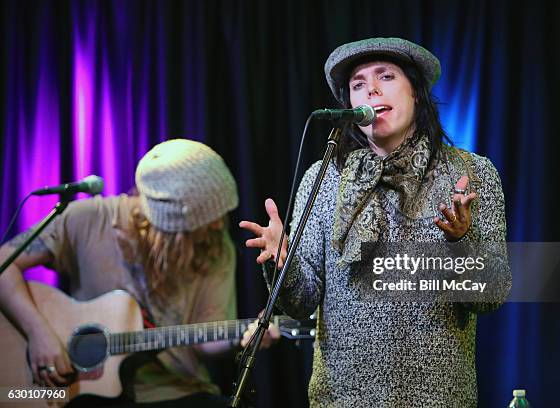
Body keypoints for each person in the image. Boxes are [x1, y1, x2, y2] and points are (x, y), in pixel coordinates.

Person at [240, 38, 511, 407]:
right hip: (341, 398)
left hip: (438, 397)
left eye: (386, 76)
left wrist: (461, 242)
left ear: (415, 91)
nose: (371, 88)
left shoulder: (469, 173)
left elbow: (492, 296)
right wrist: (281, 262)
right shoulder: (323, 179)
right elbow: (302, 302)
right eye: (358, 84)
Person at [0, 139, 278, 407]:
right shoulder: (88, 219)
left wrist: (243, 335)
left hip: (177, 392)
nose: (219, 226)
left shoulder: (215, 248)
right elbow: (4, 265)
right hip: (82, 391)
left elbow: (208, 337)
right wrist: (39, 333)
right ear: (169, 222)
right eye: (205, 220)